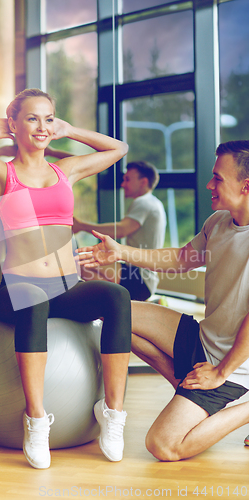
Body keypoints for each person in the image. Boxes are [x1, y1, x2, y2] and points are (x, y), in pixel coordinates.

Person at [0, 88, 132, 469]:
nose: (42, 126)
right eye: (32, 118)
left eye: (48, 118)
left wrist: (69, 130)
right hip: (17, 290)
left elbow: (118, 149)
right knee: (32, 297)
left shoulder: (64, 170)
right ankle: (36, 420)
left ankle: (113, 414)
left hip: (68, 287)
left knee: (116, 297)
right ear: (13, 124)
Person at [77, 140, 249, 461]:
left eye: (217, 178)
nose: (209, 184)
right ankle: (187, 388)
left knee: (163, 445)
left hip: (237, 365)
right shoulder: (218, 222)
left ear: (246, 185)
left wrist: (222, 372)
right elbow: (182, 259)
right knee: (115, 313)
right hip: (203, 338)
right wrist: (120, 251)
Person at [73, 161, 166, 301]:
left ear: (143, 182)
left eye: (127, 180)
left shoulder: (144, 202)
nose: (123, 185)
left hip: (138, 277)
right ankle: (116, 305)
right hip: (143, 278)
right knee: (84, 265)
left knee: (78, 263)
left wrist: (81, 226)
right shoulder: (154, 203)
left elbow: (122, 230)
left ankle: (111, 306)